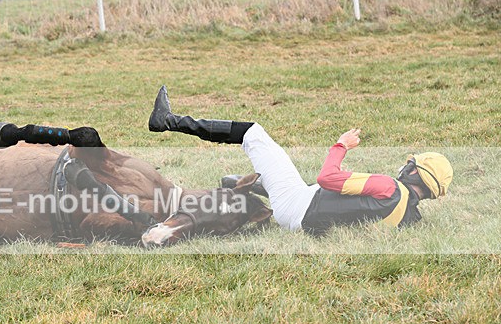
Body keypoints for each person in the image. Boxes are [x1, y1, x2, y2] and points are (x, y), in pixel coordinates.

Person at [147, 86, 453, 235]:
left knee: (253, 133)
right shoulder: (411, 218)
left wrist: (341, 146)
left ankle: (168, 121)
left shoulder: (388, 186)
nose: (405, 166)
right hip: (306, 218)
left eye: (410, 165)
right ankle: (244, 186)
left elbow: (326, 178)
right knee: (286, 181)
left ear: (414, 172)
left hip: (298, 205)